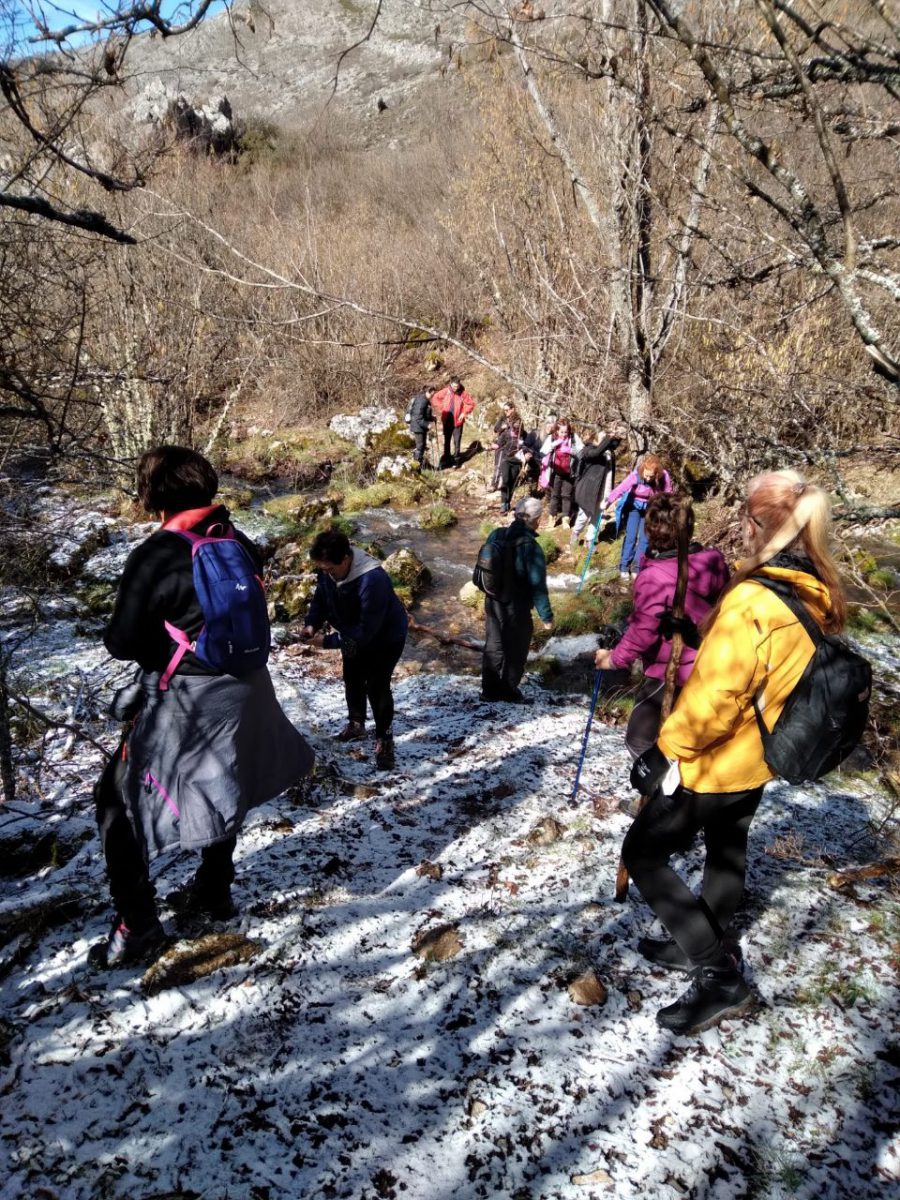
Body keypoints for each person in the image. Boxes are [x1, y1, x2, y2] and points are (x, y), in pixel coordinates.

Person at [622, 470, 847, 1035]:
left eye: (744, 521)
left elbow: (719, 695)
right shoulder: (813, 587)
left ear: (756, 525)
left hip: (717, 761)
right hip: (762, 755)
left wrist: (663, 752)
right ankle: (703, 936)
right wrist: (696, 634)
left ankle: (719, 975)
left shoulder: (752, 597)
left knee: (645, 854)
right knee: (728, 844)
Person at [91, 446, 315, 969]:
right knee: (228, 779)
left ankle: (139, 925)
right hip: (247, 689)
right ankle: (214, 890)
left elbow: (122, 641)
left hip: (191, 697)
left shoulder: (156, 555)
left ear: (154, 495)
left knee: (114, 801)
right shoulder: (238, 539)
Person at [594, 494, 728, 759]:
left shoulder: (655, 576)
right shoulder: (711, 561)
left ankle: (663, 795)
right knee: (681, 739)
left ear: (650, 529)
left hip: (673, 670)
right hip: (709, 663)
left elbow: (645, 631)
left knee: (639, 741)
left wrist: (613, 660)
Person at [303, 529, 408, 770]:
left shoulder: (373, 580)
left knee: (377, 686)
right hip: (352, 632)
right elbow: (321, 599)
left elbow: (365, 632)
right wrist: (312, 624)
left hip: (385, 638)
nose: (326, 573)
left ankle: (385, 740)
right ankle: (356, 724)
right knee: (352, 677)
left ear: (346, 559)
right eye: (323, 569)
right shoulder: (329, 571)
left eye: (330, 569)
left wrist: (326, 642)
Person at [481, 497, 554, 703]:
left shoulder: (496, 534)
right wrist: (546, 617)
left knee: (493, 646)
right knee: (517, 650)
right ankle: (509, 691)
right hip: (517, 607)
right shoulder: (532, 548)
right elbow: (538, 586)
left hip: (493, 601)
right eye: (539, 518)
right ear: (534, 520)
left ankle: (488, 691)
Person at [603, 453, 674, 580]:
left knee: (645, 539)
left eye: (650, 477)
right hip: (634, 507)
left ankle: (637, 567)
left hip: (651, 508)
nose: (647, 479)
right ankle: (624, 566)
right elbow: (621, 488)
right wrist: (607, 501)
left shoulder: (663, 476)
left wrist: (667, 509)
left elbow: (668, 493)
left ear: (656, 474)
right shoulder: (636, 475)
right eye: (645, 475)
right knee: (631, 537)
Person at [570, 425, 625, 548]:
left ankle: (589, 539)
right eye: (604, 437)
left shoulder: (609, 451)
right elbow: (596, 453)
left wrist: (617, 435)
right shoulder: (588, 450)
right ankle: (575, 532)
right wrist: (608, 438)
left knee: (597, 515)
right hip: (589, 490)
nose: (606, 439)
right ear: (595, 438)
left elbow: (613, 444)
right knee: (583, 516)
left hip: (604, 489)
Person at [539, 417, 583, 527]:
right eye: (561, 432)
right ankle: (552, 519)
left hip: (569, 472)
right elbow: (542, 452)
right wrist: (554, 445)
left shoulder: (573, 438)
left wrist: (571, 451)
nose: (564, 434)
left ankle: (565, 520)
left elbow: (582, 452)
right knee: (554, 495)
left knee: (566, 496)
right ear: (557, 430)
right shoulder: (552, 438)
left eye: (566, 432)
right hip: (556, 472)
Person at [493, 409, 533, 515]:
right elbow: (499, 443)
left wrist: (528, 454)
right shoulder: (506, 434)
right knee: (505, 480)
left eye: (517, 429)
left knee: (512, 483)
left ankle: (508, 502)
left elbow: (527, 447)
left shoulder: (524, 435)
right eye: (514, 429)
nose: (515, 431)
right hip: (506, 459)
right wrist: (494, 446)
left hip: (517, 462)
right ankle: (503, 503)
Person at [431, 376, 476, 468]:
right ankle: (447, 458)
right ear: (451, 384)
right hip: (447, 420)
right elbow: (435, 398)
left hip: (458, 421)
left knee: (457, 441)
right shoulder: (446, 391)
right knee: (447, 440)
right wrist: (442, 408)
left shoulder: (463, 393)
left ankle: (456, 460)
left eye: (457, 386)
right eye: (454, 386)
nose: (456, 388)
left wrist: (464, 413)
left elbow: (470, 404)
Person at [490, 400, 519, 491]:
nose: (505, 412)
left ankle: (506, 485)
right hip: (501, 445)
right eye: (504, 410)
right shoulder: (502, 418)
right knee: (498, 465)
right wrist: (502, 427)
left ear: (512, 409)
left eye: (507, 410)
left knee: (507, 466)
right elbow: (495, 429)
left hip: (512, 446)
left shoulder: (517, 419)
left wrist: (512, 426)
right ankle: (494, 484)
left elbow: (519, 431)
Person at [405, 384, 436, 468]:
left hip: (420, 426)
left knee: (422, 446)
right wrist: (427, 424)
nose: (432, 396)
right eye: (432, 394)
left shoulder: (424, 399)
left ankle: (419, 466)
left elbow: (424, 414)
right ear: (428, 392)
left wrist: (431, 418)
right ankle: (416, 467)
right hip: (418, 427)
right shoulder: (422, 401)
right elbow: (418, 417)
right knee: (420, 447)